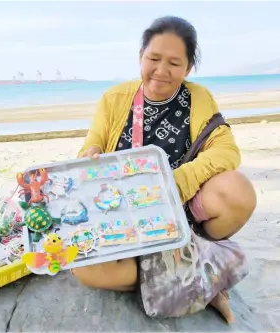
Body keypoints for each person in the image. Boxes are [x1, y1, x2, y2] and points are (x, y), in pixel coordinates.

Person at [71, 16, 257, 323]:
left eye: (174, 62)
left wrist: (178, 182)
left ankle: (188, 268)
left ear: (188, 68)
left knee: (238, 190)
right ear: (140, 56)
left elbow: (227, 151)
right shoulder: (114, 98)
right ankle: (204, 281)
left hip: (180, 211)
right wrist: (90, 154)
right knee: (84, 268)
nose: (161, 70)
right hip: (124, 212)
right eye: (153, 58)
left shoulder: (198, 97)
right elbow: (92, 146)